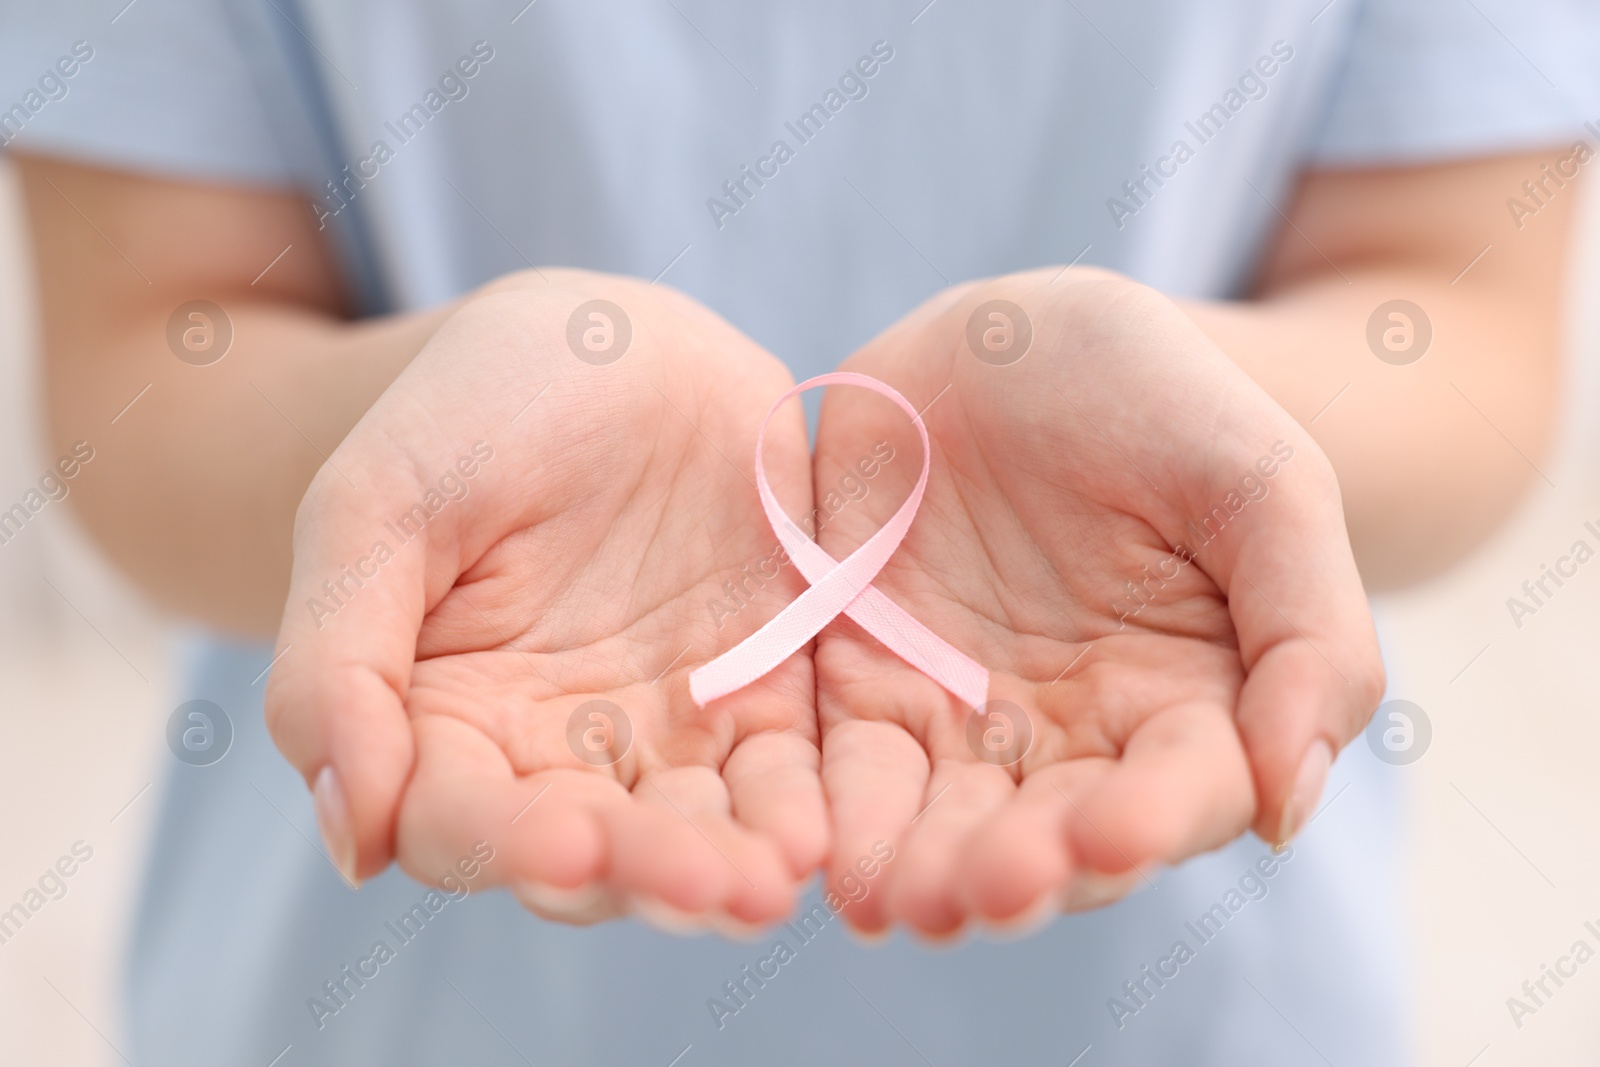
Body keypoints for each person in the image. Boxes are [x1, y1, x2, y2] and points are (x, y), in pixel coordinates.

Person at [3, 0, 1594, 1062]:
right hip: (396, 988)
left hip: (1172, 977)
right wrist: (413, 432)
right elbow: (147, 356)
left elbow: (1460, 324)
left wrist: (1215, 438)